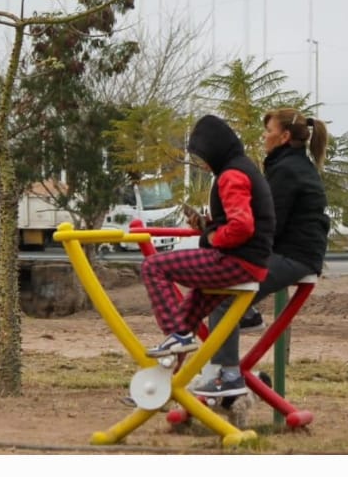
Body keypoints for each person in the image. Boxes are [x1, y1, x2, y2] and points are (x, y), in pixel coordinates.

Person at [194, 108, 331, 400]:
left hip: (294, 256)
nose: (264, 138)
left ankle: (228, 375)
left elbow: (269, 224)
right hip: (296, 251)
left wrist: (216, 236)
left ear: (283, 137)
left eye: (268, 132)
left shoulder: (287, 171)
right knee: (226, 293)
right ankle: (247, 318)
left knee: (224, 294)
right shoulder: (289, 165)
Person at [140, 114, 275, 360]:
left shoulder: (231, 176)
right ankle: (168, 379)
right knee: (186, 315)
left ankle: (176, 336)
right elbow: (238, 220)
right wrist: (208, 227)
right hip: (251, 261)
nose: (203, 165)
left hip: (238, 261)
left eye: (203, 157)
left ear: (215, 151)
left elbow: (242, 227)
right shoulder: (242, 168)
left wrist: (212, 238)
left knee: (153, 266)